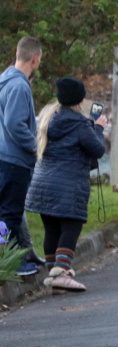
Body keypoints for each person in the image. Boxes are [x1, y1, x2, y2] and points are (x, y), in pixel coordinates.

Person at [24, 78, 107, 293]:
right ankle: (62, 272)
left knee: (52, 229)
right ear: (80, 99)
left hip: (42, 185)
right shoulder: (80, 124)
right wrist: (98, 127)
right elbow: (97, 149)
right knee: (71, 226)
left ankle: (53, 274)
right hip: (68, 187)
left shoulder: (46, 117)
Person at [0, 36, 43, 277]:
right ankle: (15, 262)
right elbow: (15, 123)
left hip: (3, 156)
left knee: (6, 212)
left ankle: (13, 256)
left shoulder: (4, 80)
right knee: (11, 213)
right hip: (14, 160)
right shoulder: (19, 85)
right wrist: (35, 146)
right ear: (34, 59)